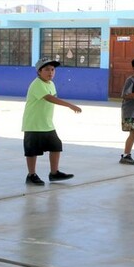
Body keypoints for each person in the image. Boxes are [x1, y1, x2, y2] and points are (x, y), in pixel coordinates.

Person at [23, 57, 82, 185]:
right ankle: (31, 175)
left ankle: (54, 173)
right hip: (33, 124)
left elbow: (53, 97)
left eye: (52, 69)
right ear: (39, 71)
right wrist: (69, 105)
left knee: (56, 146)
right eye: (46, 70)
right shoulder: (37, 84)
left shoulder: (51, 84)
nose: (50, 72)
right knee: (32, 151)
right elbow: (49, 98)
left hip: (47, 124)